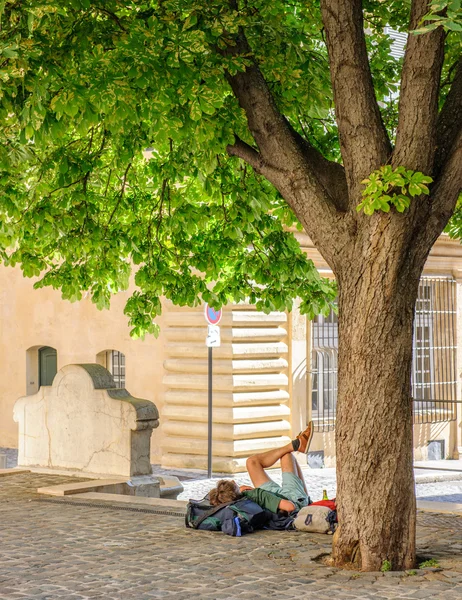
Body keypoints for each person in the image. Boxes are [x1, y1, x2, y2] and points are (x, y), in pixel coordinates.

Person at [208, 421, 314, 515]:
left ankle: (296, 445)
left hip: (273, 495)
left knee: (252, 462)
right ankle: (295, 446)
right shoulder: (259, 495)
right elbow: (290, 507)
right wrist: (263, 495)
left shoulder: (242, 496)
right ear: (234, 485)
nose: (233, 480)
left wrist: (245, 492)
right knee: (287, 455)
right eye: (232, 482)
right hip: (292, 500)